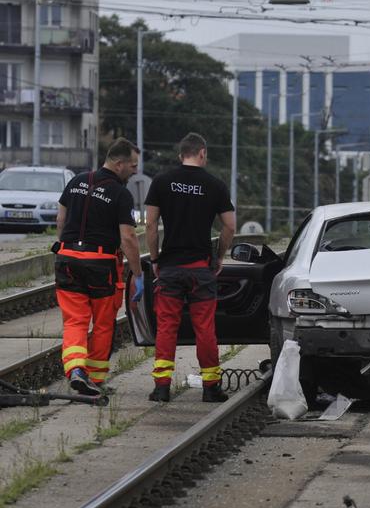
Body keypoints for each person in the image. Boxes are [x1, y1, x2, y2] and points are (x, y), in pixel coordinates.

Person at [145, 132, 235, 403]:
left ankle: (161, 388)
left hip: (170, 267)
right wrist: (219, 256)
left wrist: (155, 258)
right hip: (200, 269)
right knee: (205, 328)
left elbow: (150, 225)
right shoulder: (215, 185)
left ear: (180, 153)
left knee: (166, 327)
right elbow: (230, 226)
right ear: (202, 153)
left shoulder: (161, 182)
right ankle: (210, 387)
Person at [55, 138, 144, 396]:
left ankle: (76, 371)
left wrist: (65, 248)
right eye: (133, 165)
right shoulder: (120, 194)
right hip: (101, 265)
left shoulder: (76, 182)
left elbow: (60, 219)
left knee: (75, 321)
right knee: (104, 323)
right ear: (119, 164)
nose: (135, 171)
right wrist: (137, 273)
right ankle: (94, 377)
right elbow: (127, 237)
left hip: (67, 258)